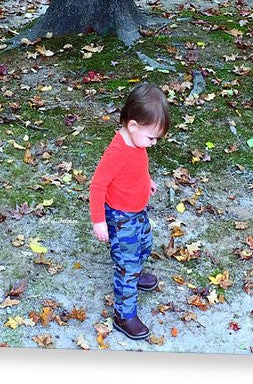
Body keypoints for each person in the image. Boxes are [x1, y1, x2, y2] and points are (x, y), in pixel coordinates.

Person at [89, 82, 170, 340]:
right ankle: (124, 314)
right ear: (132, 126)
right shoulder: (117, 152)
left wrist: (148, 182)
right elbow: (98, 185)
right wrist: (99, 221)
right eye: (151, 137)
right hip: (120, 218)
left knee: (145, 244)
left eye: (157, 138)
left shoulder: (138, 144)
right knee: (126, 263)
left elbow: (138, 168)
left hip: (137, 212)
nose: (154, 143)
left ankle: (135, 273)